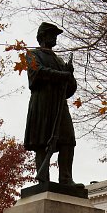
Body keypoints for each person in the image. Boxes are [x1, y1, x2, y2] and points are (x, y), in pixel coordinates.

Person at [24, 22, 83, 188]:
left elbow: (69, 89)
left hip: (59, 105)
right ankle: (44, 180)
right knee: (42, 141)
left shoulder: (59, 61)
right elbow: (37, 73)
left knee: (68, 139)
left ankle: (65, 178)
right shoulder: (33, 55)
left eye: (55, 34)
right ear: (42, 36)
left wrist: (69, 75)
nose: (54, 37)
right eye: (51, 34)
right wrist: (62, 75)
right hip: (42, 104)